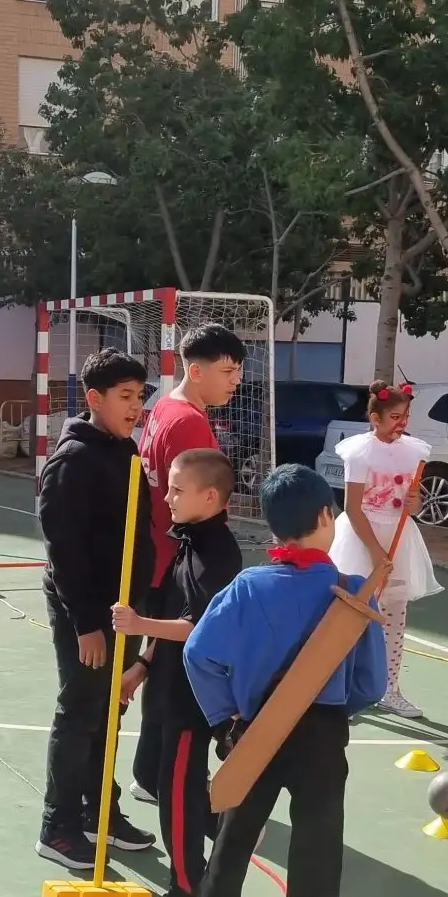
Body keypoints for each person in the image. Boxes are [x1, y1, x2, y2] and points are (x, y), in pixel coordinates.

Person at [150, 465, 386, 897]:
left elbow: (198, 654)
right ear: (327, 517)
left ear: (272, 527)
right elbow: (371, 684)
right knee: (315, 856)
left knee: (231, 849)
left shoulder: (247, 587)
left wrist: (226, 716)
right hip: (323, 737)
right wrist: (335, 710)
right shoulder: (353, 591)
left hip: (254, 732)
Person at [34, 349, 158, 872]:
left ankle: (98, 810)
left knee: (109, 711)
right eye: (125, 396)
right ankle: (57, 825)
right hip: (86, 610)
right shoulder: (73, 461)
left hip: (123, 606)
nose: (135, 406)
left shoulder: (125, 449)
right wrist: (87, 623)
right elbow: (64, 550)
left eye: (139, 396)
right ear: (94, 399)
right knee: (81, 710)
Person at [113, 447, 244, 897]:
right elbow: (172, 615)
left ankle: (187, 892)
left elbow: (197, 626)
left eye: (176, 490)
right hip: (167, 689)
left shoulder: (217, 554)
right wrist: (143, 665)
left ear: (209, 497)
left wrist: (137, 624)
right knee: (162, 783)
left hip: (192, 702)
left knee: (180, 797)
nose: (166, 497)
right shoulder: (188, 543)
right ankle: (216, 849)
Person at [133, 323, 246, 803]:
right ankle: (173, 783)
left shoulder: (164, 407)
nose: (236, 380)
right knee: (184, 680)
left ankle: (149, 774)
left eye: (238, 370)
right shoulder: (189, 424)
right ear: (196, 371)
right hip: (180, 562)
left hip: (161, 557)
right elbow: (198, 500)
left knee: (164, 675)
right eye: (228, 370)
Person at [333, 381, 441, 717]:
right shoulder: (359, 453)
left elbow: (413, 505)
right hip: (363, 539)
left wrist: (414, 504)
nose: (402, 423)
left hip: (399, 538)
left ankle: (390, 690)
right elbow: (352, 508)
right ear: (375, 418)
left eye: (405, 416)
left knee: (394, 617)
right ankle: (345, 692)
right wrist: (376, 551)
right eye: (395, 416)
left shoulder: (413, 453)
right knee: (354, 616)